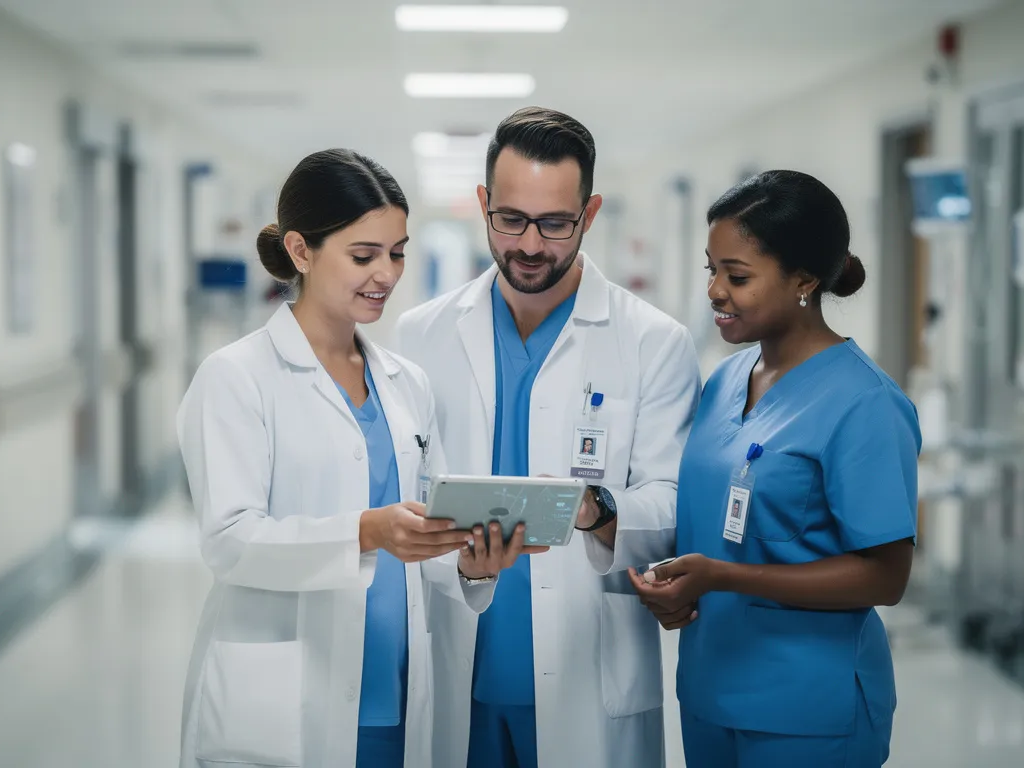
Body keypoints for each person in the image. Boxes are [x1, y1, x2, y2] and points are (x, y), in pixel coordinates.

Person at [176, 149, 533, 768]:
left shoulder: (406, 382)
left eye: (397, 252)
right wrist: (366, 531)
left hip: (396, 690)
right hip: (289, 698)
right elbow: (229, 542)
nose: (387, 274)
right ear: (301, 250)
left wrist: (475, 564)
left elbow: (429, 536)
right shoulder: (236, 377)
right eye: (363, 255)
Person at [396, 107, 702, 768]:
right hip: (460, 662)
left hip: (588, 668)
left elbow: (676, 501)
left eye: (555, 224)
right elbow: (405, 497)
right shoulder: (421, 336)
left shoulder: (653, 342)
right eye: (509, 219)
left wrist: (600, 509)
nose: (529, 245)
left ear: (590, 214)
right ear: (482, 204)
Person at [630, 170, 921, 767]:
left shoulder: (864, 404)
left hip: (808, 711)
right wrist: (675, 588)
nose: (714, 290)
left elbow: (885, 578)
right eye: (711, 269)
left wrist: (724, 577)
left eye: (737, 276)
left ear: (805, 282)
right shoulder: (725, 382)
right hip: (711, 689)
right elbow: (710, 524)